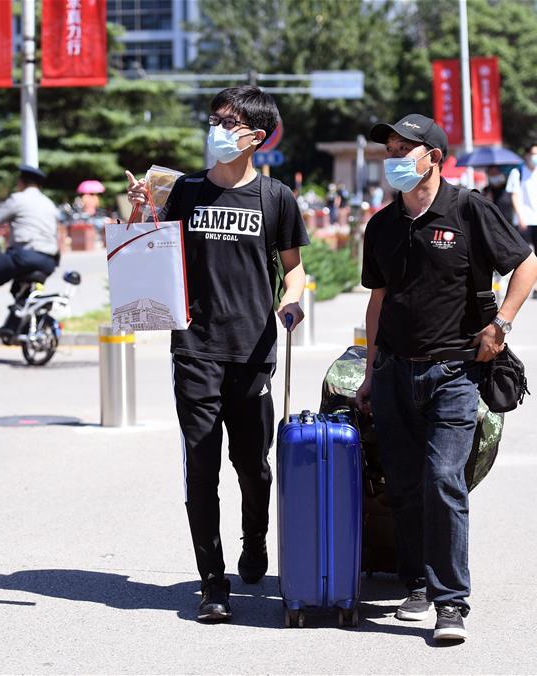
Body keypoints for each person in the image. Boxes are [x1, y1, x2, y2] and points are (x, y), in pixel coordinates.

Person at [125, 86, 309, 623]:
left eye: (229, 123)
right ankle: (213, 581)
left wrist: (291, 303)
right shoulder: (185, 191)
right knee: (202, 468)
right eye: (214, 120)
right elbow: (145, 260)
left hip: (252, 351)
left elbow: (293, 270)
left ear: (256, 136)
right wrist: (140, 216)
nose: (218, 131)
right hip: (196, 349)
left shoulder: (276, 199)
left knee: (252, 467)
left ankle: (256, 541)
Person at [355, 114, 537, 642]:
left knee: (442, 480)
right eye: (388, 148)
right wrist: (370, 372)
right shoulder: (382, 224)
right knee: (405, 487)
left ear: (433, 158)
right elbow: (378, 300)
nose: (393, 157)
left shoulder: (469, 210)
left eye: (403, 149)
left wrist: (501, 324)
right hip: (393, 373)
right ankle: (415, 582)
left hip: (454, 373)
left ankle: (450, 601)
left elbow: (526, 265)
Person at [0, 165, 60, 340]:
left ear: (21, 182)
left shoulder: (18, 199)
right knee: (21, 288)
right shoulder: (48, 203)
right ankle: (12, 328)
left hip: (26, 255)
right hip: (50, 260)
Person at [505, 143, 537, 300]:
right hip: (523, 220)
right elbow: (514, 195)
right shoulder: (517, 172)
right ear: (526, 155)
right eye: (534, 154)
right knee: (522, 255)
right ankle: (521, 286)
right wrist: (520, 216)